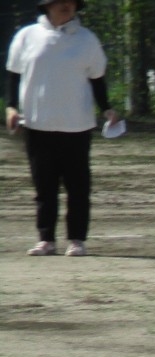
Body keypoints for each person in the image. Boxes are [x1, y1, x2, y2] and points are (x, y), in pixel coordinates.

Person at [6, 0, 119, 257]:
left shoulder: (87, 39)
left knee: (78, 186)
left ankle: (77, 239)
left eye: (71, 3)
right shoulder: (27, 36)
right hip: (37, 123)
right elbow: (14, 74)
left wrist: (107, 108)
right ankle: (46, 239)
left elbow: (97, 79)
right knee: (44, 186)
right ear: (47, 6)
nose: (67, 7)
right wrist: (11, 107)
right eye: (60, 2)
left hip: (76, 124)